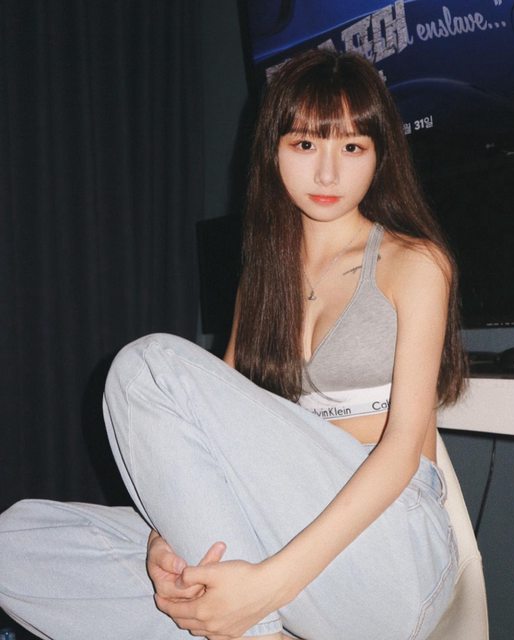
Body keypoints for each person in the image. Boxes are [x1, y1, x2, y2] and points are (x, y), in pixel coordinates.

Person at [0, 49, 467, 640]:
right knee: (17, 540)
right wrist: (165, 540)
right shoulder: (264, 278)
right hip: (277, 543)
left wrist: (266, 589)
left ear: (380, 156)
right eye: (305, 144)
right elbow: (201, 443)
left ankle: (255, 626)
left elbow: (401, 454)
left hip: (388, 554)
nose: (328, 174)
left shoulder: (415, 263)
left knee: (146, 369)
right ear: (273, 149)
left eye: (352, 147)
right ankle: (247, 622)